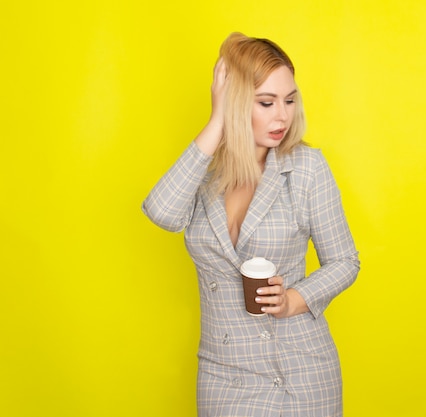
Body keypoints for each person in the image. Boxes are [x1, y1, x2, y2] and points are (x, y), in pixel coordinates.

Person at [142, 32, 360, 416]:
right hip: (225, 375)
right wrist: (217, 122)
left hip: (301, 372)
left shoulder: (306, 168)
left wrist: (295, 299)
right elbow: (161, 212)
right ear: (238, 102)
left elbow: (345, 262)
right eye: (266, 102)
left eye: (290, 100)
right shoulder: (204, 176)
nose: (283, 116)